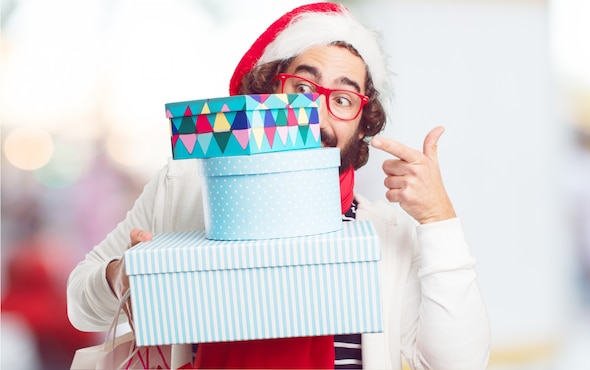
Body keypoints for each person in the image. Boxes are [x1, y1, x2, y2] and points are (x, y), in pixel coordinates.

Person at [67, 2, 491, 369]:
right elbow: (81, 306)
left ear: (362, 124)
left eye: (342, 100)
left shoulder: (384, 232)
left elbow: (458, 363)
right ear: (268, 92)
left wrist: (438, 219)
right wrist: (125, 277)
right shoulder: (183, 189)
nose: (316, 113)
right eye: (302, 88)